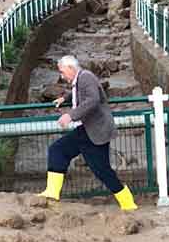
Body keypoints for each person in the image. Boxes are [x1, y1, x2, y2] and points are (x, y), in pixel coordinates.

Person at [37, 55, 138, 211]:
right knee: (58, 150)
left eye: (63, 72)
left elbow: (92, 99)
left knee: (102, 170)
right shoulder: (81, 78)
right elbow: (78, 92)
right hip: (89, 129)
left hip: (95, 130)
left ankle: (128, 203)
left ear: (71, 68)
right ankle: (52, 192)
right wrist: (64, 98)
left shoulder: (86, 78)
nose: (62, 76)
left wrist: (70, 115)